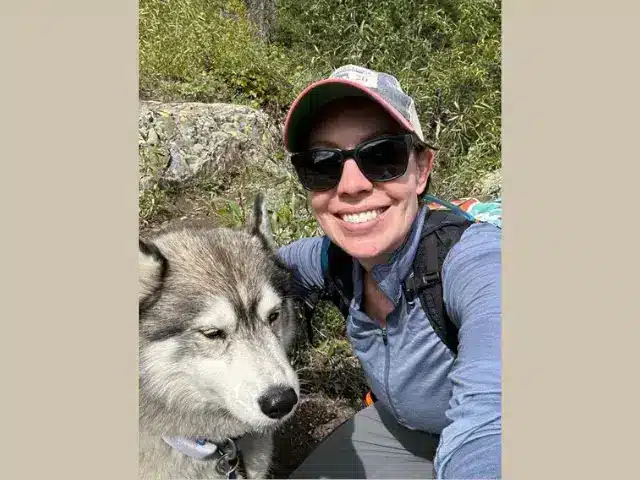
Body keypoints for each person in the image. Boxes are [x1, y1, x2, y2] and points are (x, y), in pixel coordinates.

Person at [276, 65, 501, 479]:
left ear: (421, 170)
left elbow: (497, 420)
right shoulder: (333, 260)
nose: (351, 185)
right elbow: (250, 266)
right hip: (408, 429)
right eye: (322, 163)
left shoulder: (476, 262)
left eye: (381, 156)